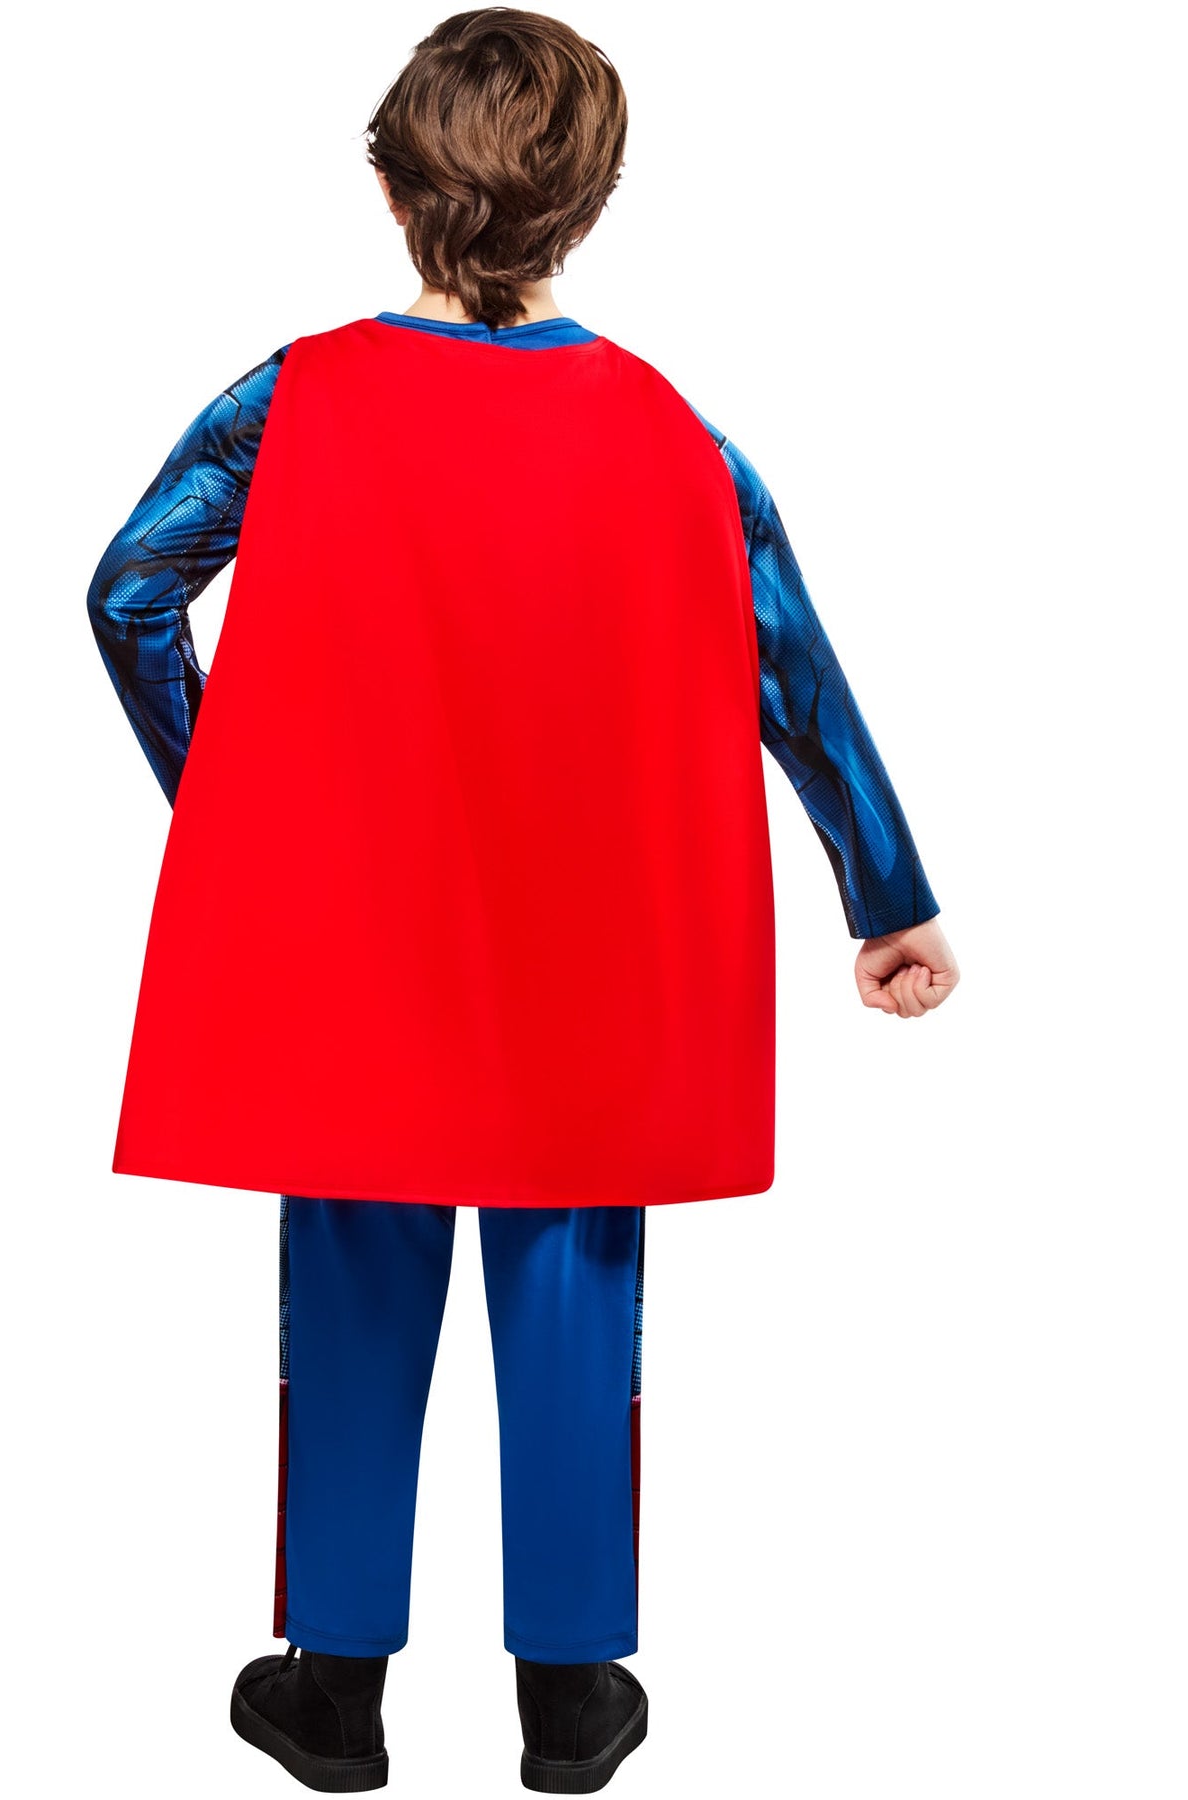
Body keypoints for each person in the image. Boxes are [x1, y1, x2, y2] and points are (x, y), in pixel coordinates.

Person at [87, 8, 960, 1792]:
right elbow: (787, 663)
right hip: (587, 964)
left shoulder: (294, 397)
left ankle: (334, 1689)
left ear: (391, 187)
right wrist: (886, 895)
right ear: (593, 201)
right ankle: (570, 1695)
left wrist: (226, 799)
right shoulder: (671, 431)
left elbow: (128, 592)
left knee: (350, 1274)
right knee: (573, 1284)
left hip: (360, 949)